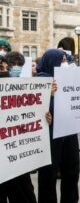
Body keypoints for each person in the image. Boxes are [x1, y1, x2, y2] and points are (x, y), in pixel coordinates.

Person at [0, 52, 52, 203]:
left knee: (25, 195)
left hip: (18, 159)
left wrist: (44, 119)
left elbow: (31, 113)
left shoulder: (27, 87)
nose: (7, 70)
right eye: (2, 67)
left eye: (18, 66)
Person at [36, 49, 80, 203]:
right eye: (60, 60)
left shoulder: (69, 78)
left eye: (65, 60)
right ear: (50, 61)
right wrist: (48, 97)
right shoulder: (40, 80)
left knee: (72, 171)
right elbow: (32, 111)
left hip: (68, 133)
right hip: (49, 137)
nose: (64, 63)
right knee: (48, 175)